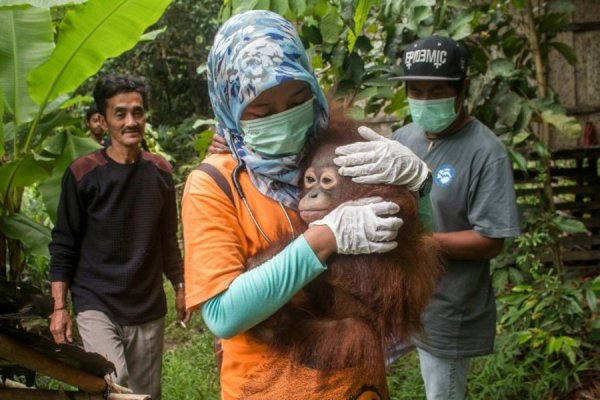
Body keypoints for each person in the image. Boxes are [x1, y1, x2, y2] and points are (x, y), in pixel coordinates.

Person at [182, 10, 431, 399]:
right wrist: (325, 238)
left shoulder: (339, 148)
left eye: (298, 100)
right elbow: (222, 316)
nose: (285, 119)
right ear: (230, 111)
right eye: (263, 112)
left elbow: (414, 244)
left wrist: (416, 185)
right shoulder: (214, 184)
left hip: (356, 385)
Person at [389, 36, 521, 399]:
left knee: (442, 392)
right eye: (416, 91)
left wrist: (421, 245)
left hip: (450, 305)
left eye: (437, 91)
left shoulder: (485, 151)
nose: (425, 101)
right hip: (403, 296)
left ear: (462, 90)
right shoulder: (404, 138)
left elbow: (491, 240)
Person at [49, 74, 190, 400]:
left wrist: (181, 286)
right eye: (121, 113)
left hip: (147, 304)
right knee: (115, 386)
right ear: (102, 120)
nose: (131, 122)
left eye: (138, 113)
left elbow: (168, 238)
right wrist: (59, 307)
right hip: (95, 302)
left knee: (144, 393)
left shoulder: (160, 172)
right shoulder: (83, 174)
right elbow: (63, 243)